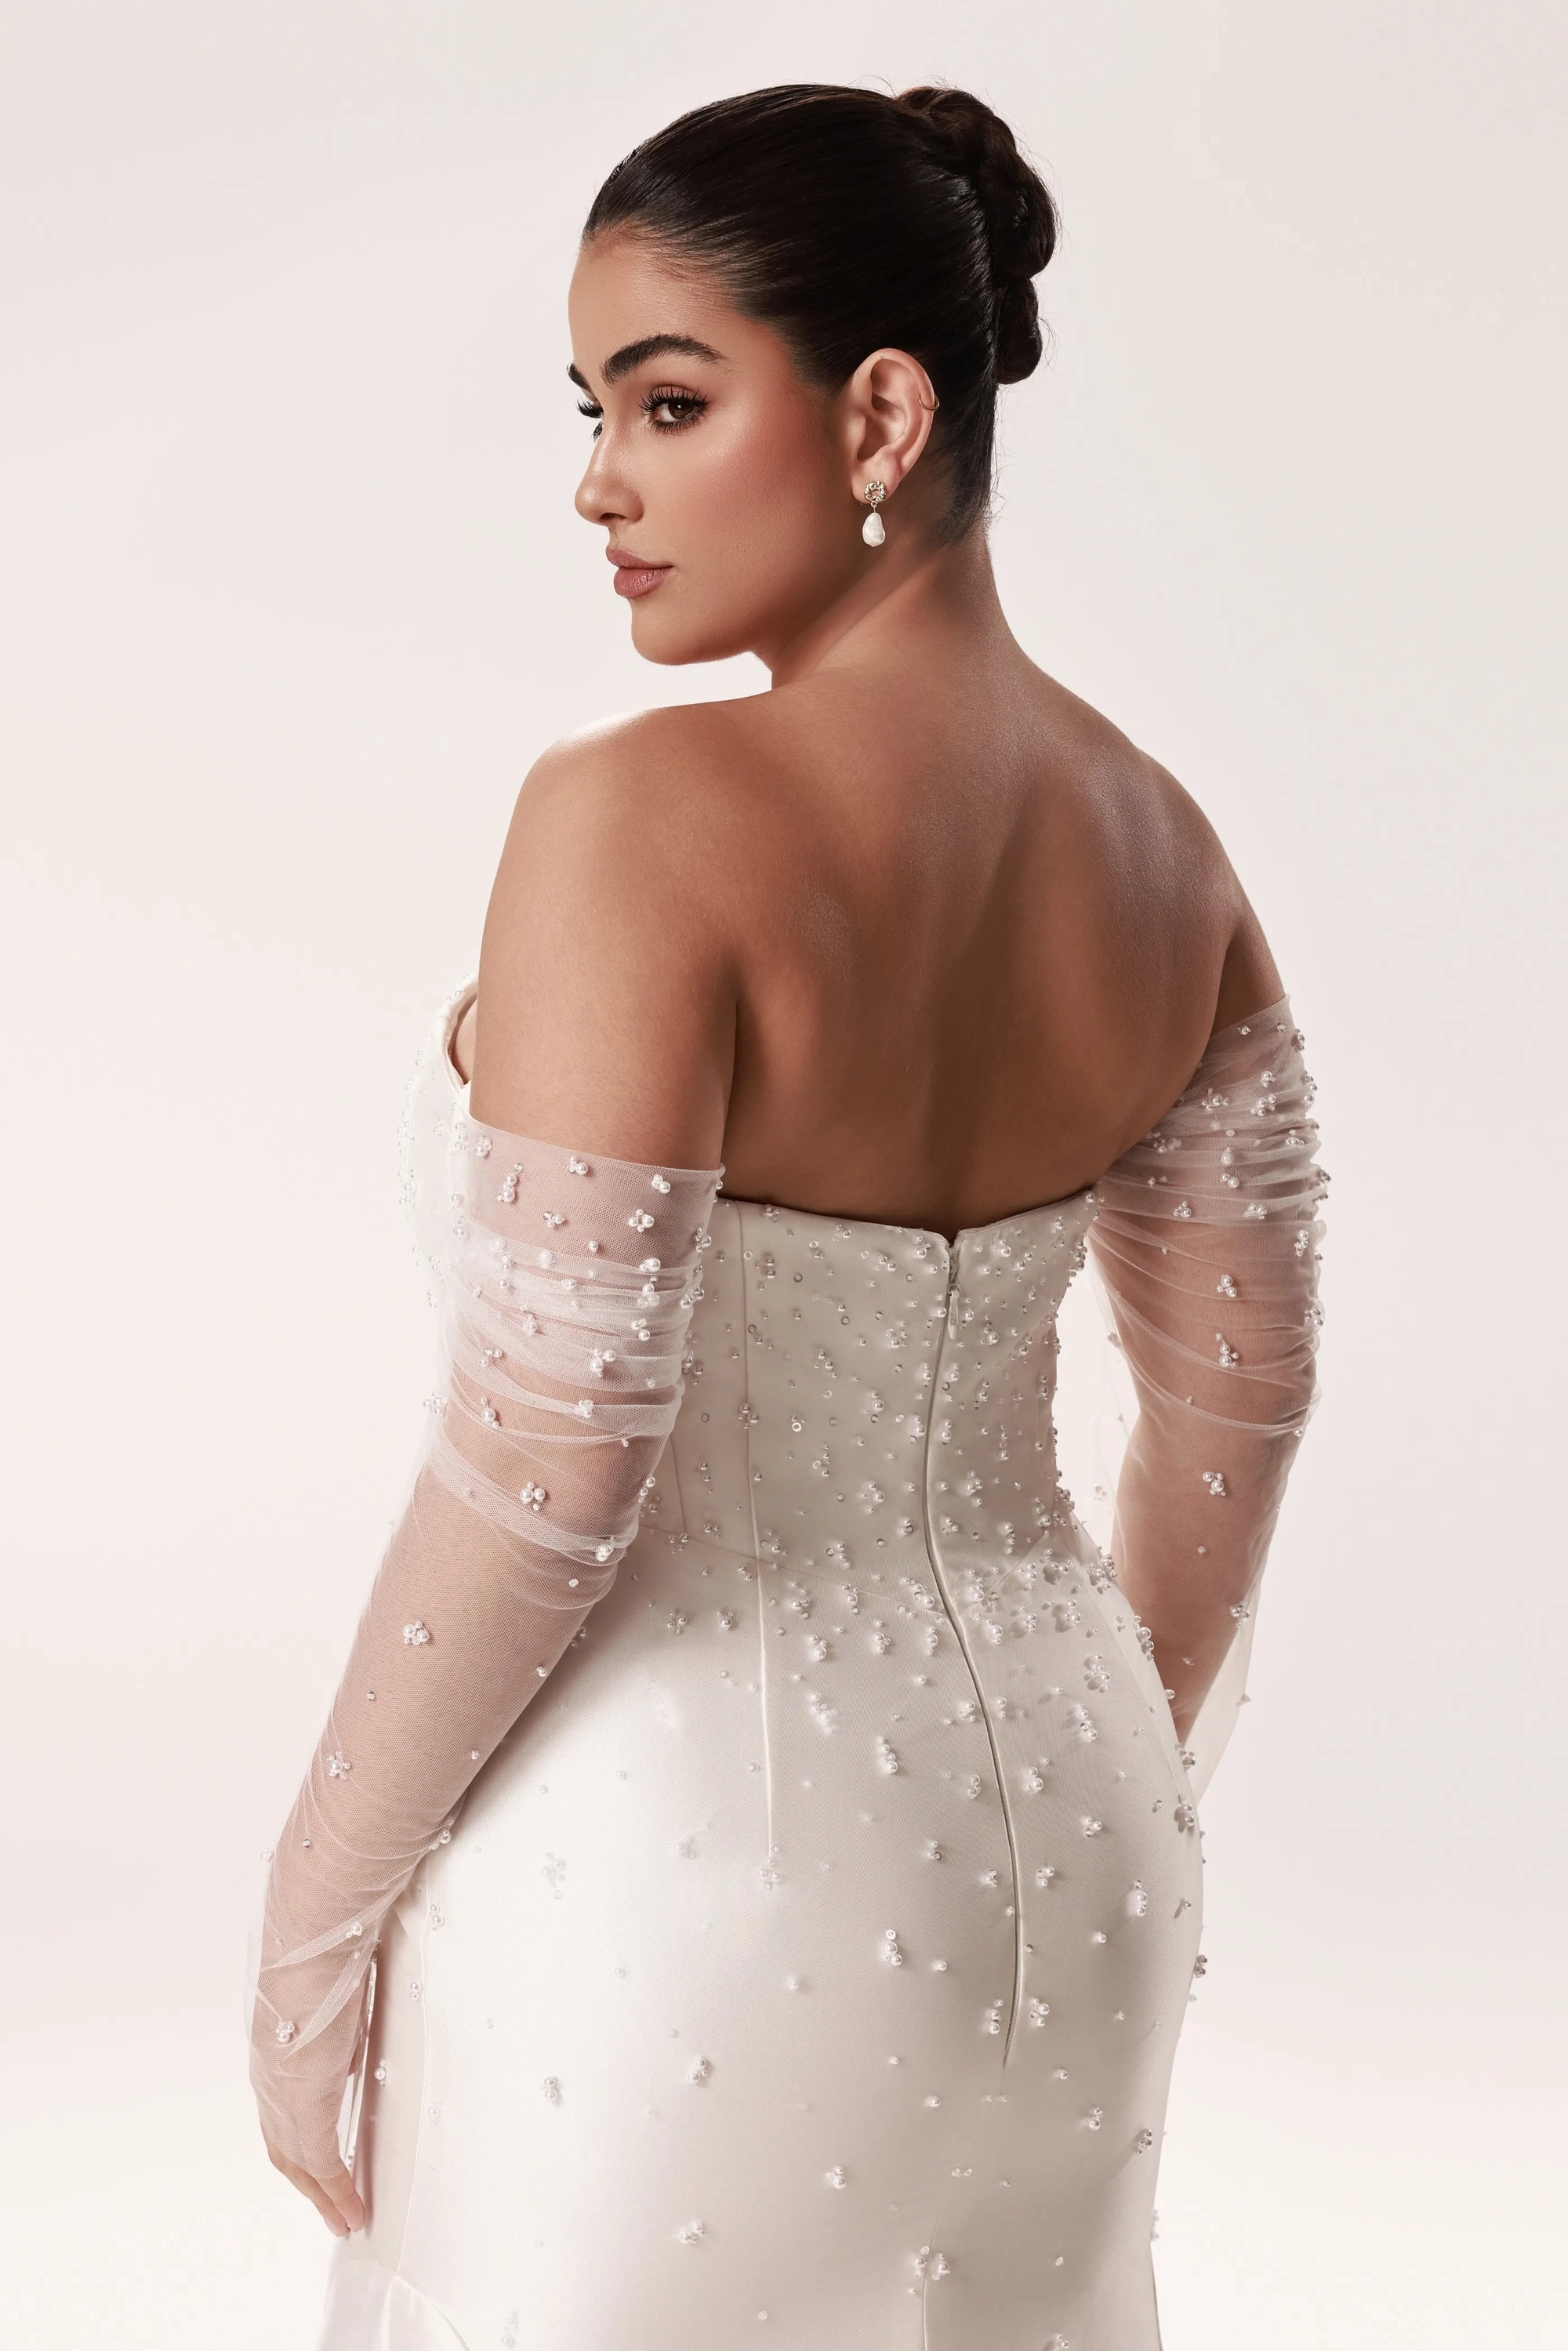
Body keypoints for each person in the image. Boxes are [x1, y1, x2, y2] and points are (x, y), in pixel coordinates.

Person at [248, 82, 1326, 2350]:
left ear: (882, 417)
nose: (598, 482)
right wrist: (1110, 1745)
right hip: (1083, 1859)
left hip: (678, 1886)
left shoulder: (637, 820)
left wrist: (315, 1916)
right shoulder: (1169, 855)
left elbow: (556, 1459)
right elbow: (1244, 1399)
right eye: (594, 412)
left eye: (668, 402)